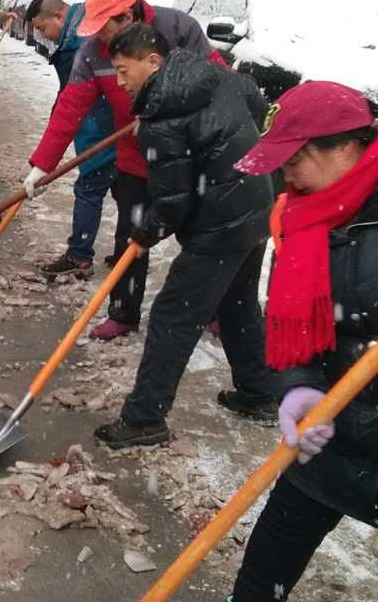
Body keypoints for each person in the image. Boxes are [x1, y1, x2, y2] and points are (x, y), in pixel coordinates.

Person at [173, 82, 378, 602]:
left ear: (348, 147)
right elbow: (290, 319)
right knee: (285, 524)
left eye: (296, 158)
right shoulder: (301, 215)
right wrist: (298, 385)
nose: (286, 174)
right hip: (340, 412)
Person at [89, 24, 275, 448]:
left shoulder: (163, 119)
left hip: (220, 224)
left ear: (153, 62)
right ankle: (258, 393)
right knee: (238, 305)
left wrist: (143, 233)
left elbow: (173, 204)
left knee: (173, 316)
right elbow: (255, 103)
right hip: (255, 208)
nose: (120, 82)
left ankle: (144, 419)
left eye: (124, 71)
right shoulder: (212, 74)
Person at [23, 0, 221, 341]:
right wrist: (42, 164)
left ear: (127, 17)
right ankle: (123, 313)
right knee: (131, 237)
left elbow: (217, 82)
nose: (99, 37)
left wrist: (166, 111)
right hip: (135, 156)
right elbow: (70, 107)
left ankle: (217, 308)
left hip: (189, 156)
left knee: (201, 236)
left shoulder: (178, 28)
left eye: (104, 27)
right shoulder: (92, 52)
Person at [26, 0, 119, 280]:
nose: (44, 37)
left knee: (90, 189)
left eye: (43, 28)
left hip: (102, 129)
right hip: (109, 126)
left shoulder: (81, 43)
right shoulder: (78, 35)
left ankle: (79, 256)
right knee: (125, 190)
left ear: (59, 16)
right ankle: (125, 252)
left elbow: (74, 100)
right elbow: (68, 98)